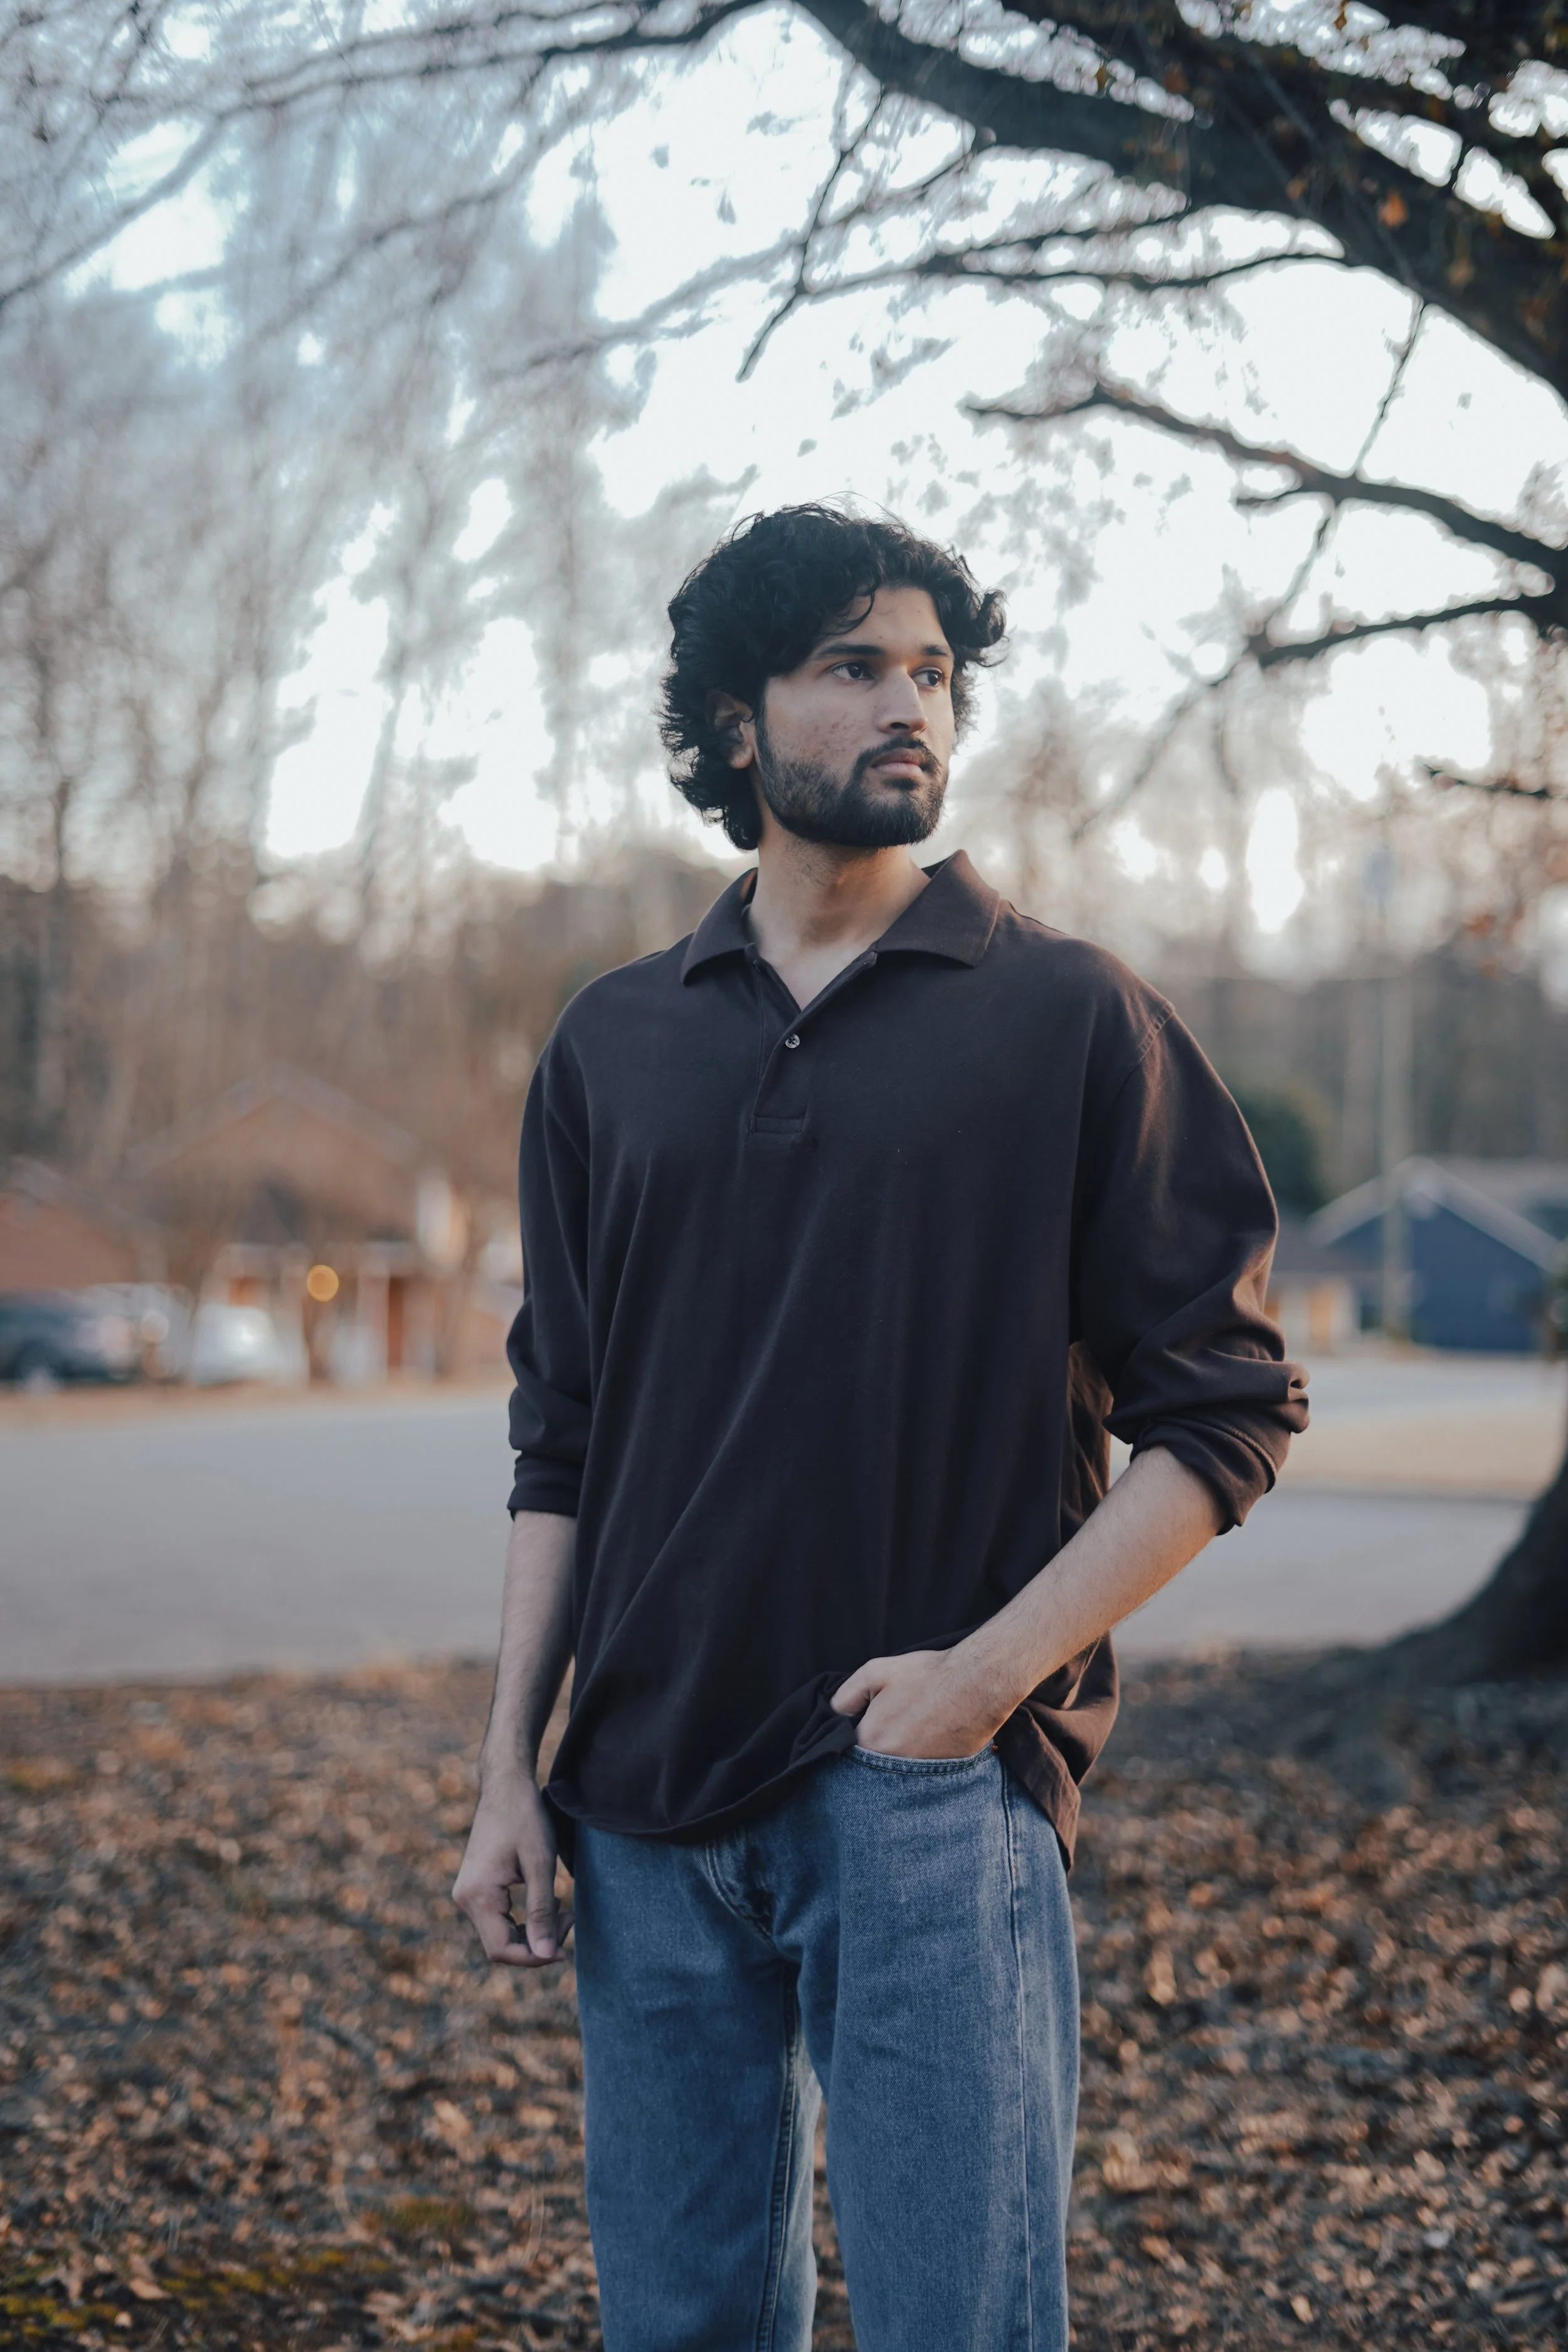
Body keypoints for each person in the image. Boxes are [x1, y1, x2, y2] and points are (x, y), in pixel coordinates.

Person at [453, 504, 1307, 2351]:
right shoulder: (613, 1044)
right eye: (853, 665)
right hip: (640, 1806)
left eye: (931, 670)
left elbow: (1224, 1414)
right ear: (736, 723)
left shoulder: (1072, 1018)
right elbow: (562, 1436)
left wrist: (984, 1684)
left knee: (961, 2326)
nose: (906, 703)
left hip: (920, 1794)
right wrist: (509, 1762)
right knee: (676, 2328)